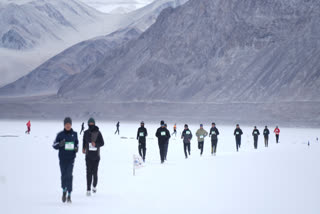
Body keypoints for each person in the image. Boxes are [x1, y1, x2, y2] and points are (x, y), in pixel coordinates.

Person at [52, 117, 79, 203]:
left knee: (69, 175)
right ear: (64, 125)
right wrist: (60, 144)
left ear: (71, 125)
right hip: (62, 159)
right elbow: (54, 145)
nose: (68, 125)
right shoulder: (60, 135)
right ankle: (64, 191)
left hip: (71, 159)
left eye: (69, 124)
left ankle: (69, 195)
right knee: (64, 175)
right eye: (66, 124)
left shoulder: (75, 134)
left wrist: (76, 148)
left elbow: (77, 144)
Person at [82, 118, 104, 196]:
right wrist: (83, 148)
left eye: (92, 124)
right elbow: (84, 141)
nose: (91, 125)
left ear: (94, 124)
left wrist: (96, 144)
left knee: (94, 173)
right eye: (89, 124)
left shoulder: (98, 133)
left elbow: (102, 143)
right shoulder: (86, 133)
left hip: (96, 156)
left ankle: (94, 186)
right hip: (88, 156)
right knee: (88, 173)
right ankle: (88, 189)